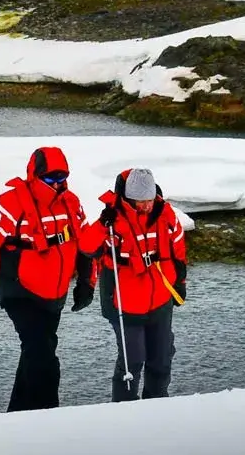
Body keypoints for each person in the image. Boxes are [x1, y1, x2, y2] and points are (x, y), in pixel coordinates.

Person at [0, 146, 93, 412]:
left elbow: (86, 246)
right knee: (43, 355)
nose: (57, 183)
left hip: (54, 293)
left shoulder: (72, 202)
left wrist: (86, 284)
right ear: (35, 175)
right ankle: (48, 417)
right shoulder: (10, 204)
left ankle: (16, 415)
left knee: (37, 350)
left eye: (62, 177)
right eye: (50, 178)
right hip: (19, 290)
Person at [78, 168, 188, 400]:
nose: (146, 206)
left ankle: (157, 406)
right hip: (124, 302)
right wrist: (101, 224)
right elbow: (87, 247)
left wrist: (180, 282)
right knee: (132, 361)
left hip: (160, 299)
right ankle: (124, 411)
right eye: (140, 201)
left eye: (149, 200)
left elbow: (178, 249)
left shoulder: (166, 215)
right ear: (129, 198)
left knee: (161, 359)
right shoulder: (112, 219)